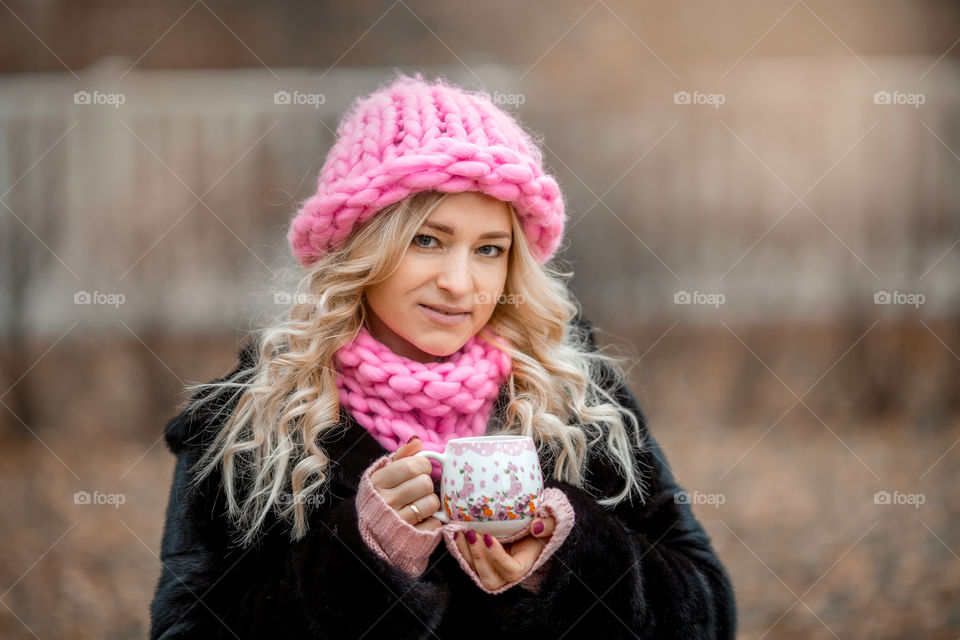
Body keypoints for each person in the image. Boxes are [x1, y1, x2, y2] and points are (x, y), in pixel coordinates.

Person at [149, 72, 737, 639]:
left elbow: (708, 611)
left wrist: (567, 558)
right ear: (360, 245)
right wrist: (364, 560)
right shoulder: (254, 420)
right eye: (426, 240)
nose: (460, 283)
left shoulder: (574, 393)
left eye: (489, 249)